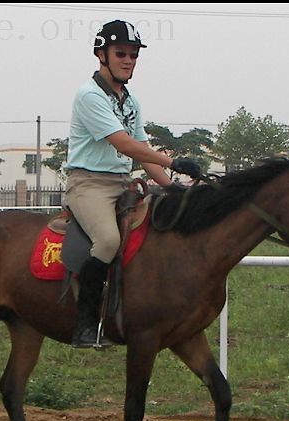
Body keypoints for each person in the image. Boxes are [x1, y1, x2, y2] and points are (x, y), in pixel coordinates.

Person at [65, 19, 201, 348]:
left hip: (123, 184)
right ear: (101, 54)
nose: (128, 60)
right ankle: (85, 324)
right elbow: (124, 144)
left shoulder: (131, 101)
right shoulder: (89, 95)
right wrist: (173, 162)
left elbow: (143, 156)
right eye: (121, 53)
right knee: (108, 241)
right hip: (88, 185)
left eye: (133, 55)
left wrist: (172, 187)